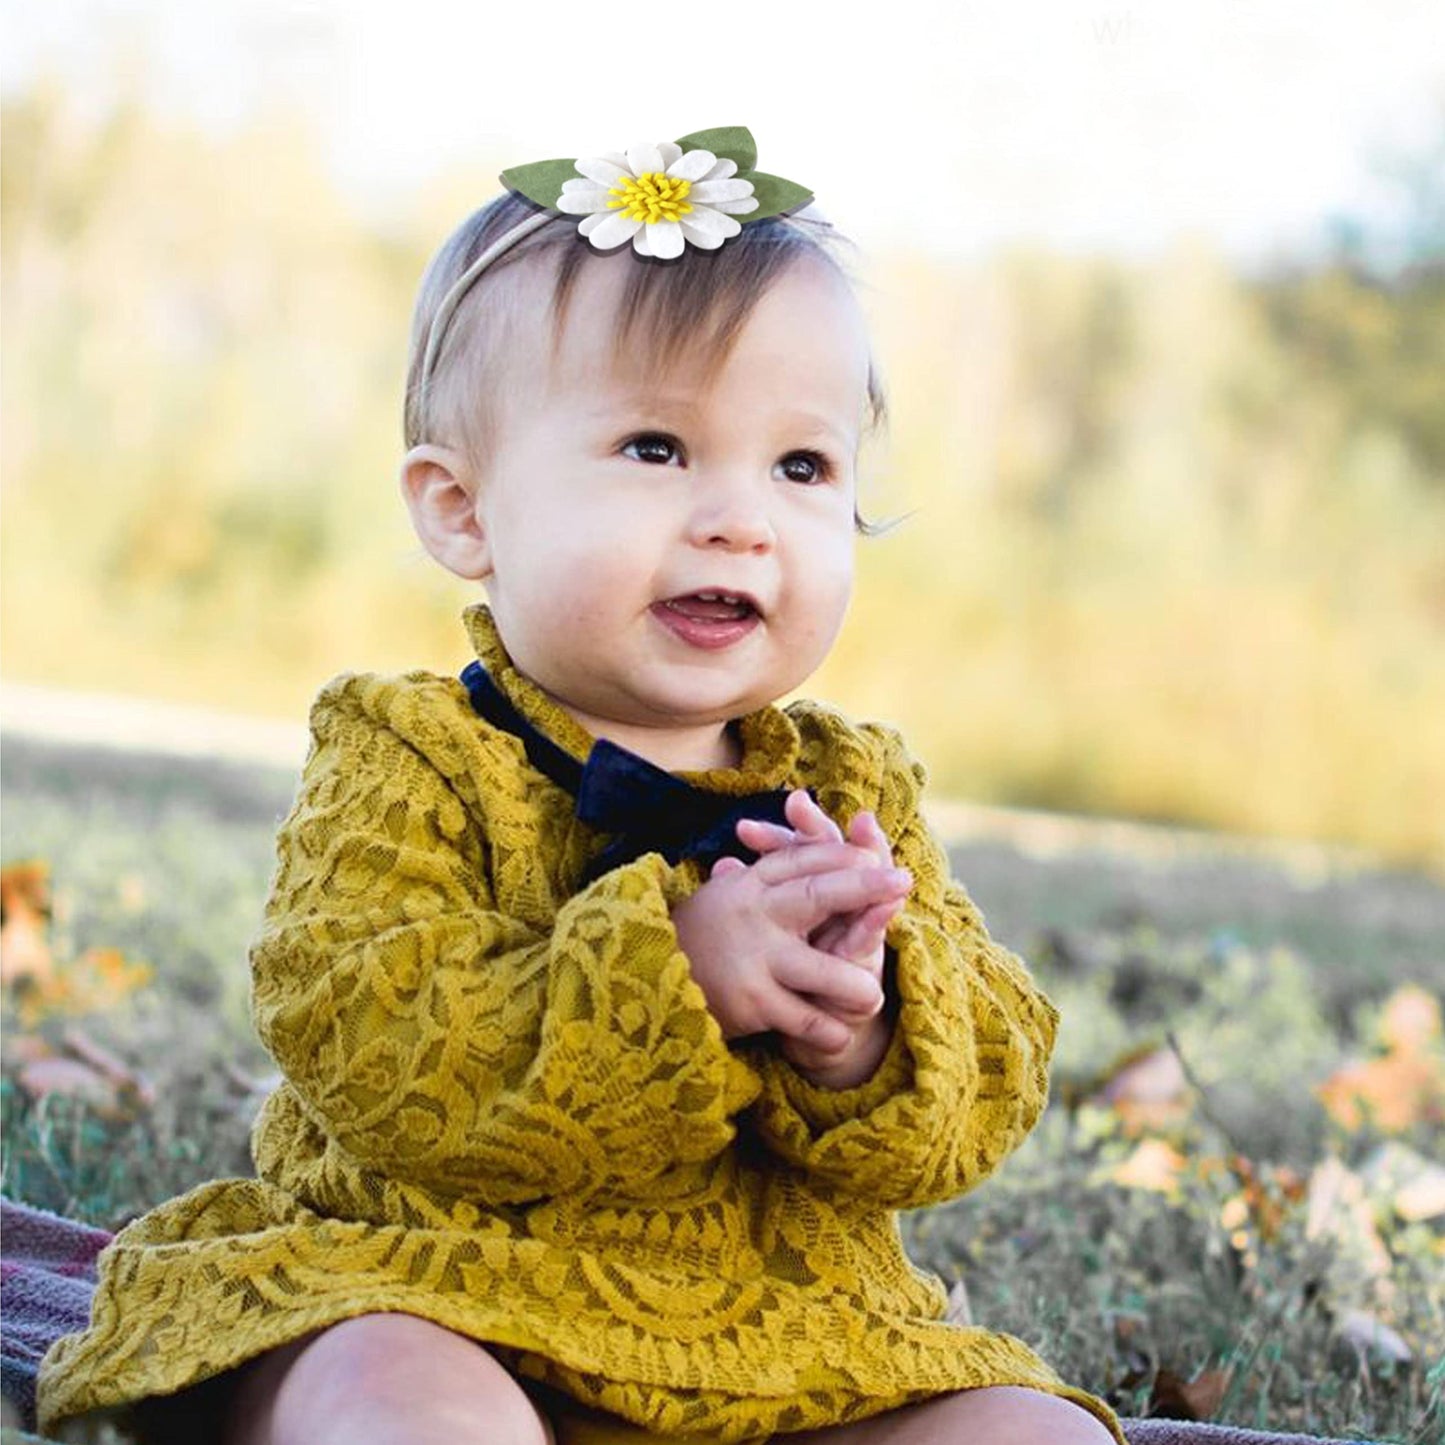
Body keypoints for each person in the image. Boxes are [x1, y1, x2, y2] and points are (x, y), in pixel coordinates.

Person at [38, 130, 1123, 1445]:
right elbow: (369, 1027)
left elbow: (985, 1088)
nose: (742, 517)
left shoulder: (854, 788)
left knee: (1034, 1432)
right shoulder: (409, 752)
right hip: (438, 1284)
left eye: (801, 466)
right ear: (463, 513)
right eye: (658, 447)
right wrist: (675, 972)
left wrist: (867, 1027)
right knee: (383, 1391)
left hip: (781, 1349)